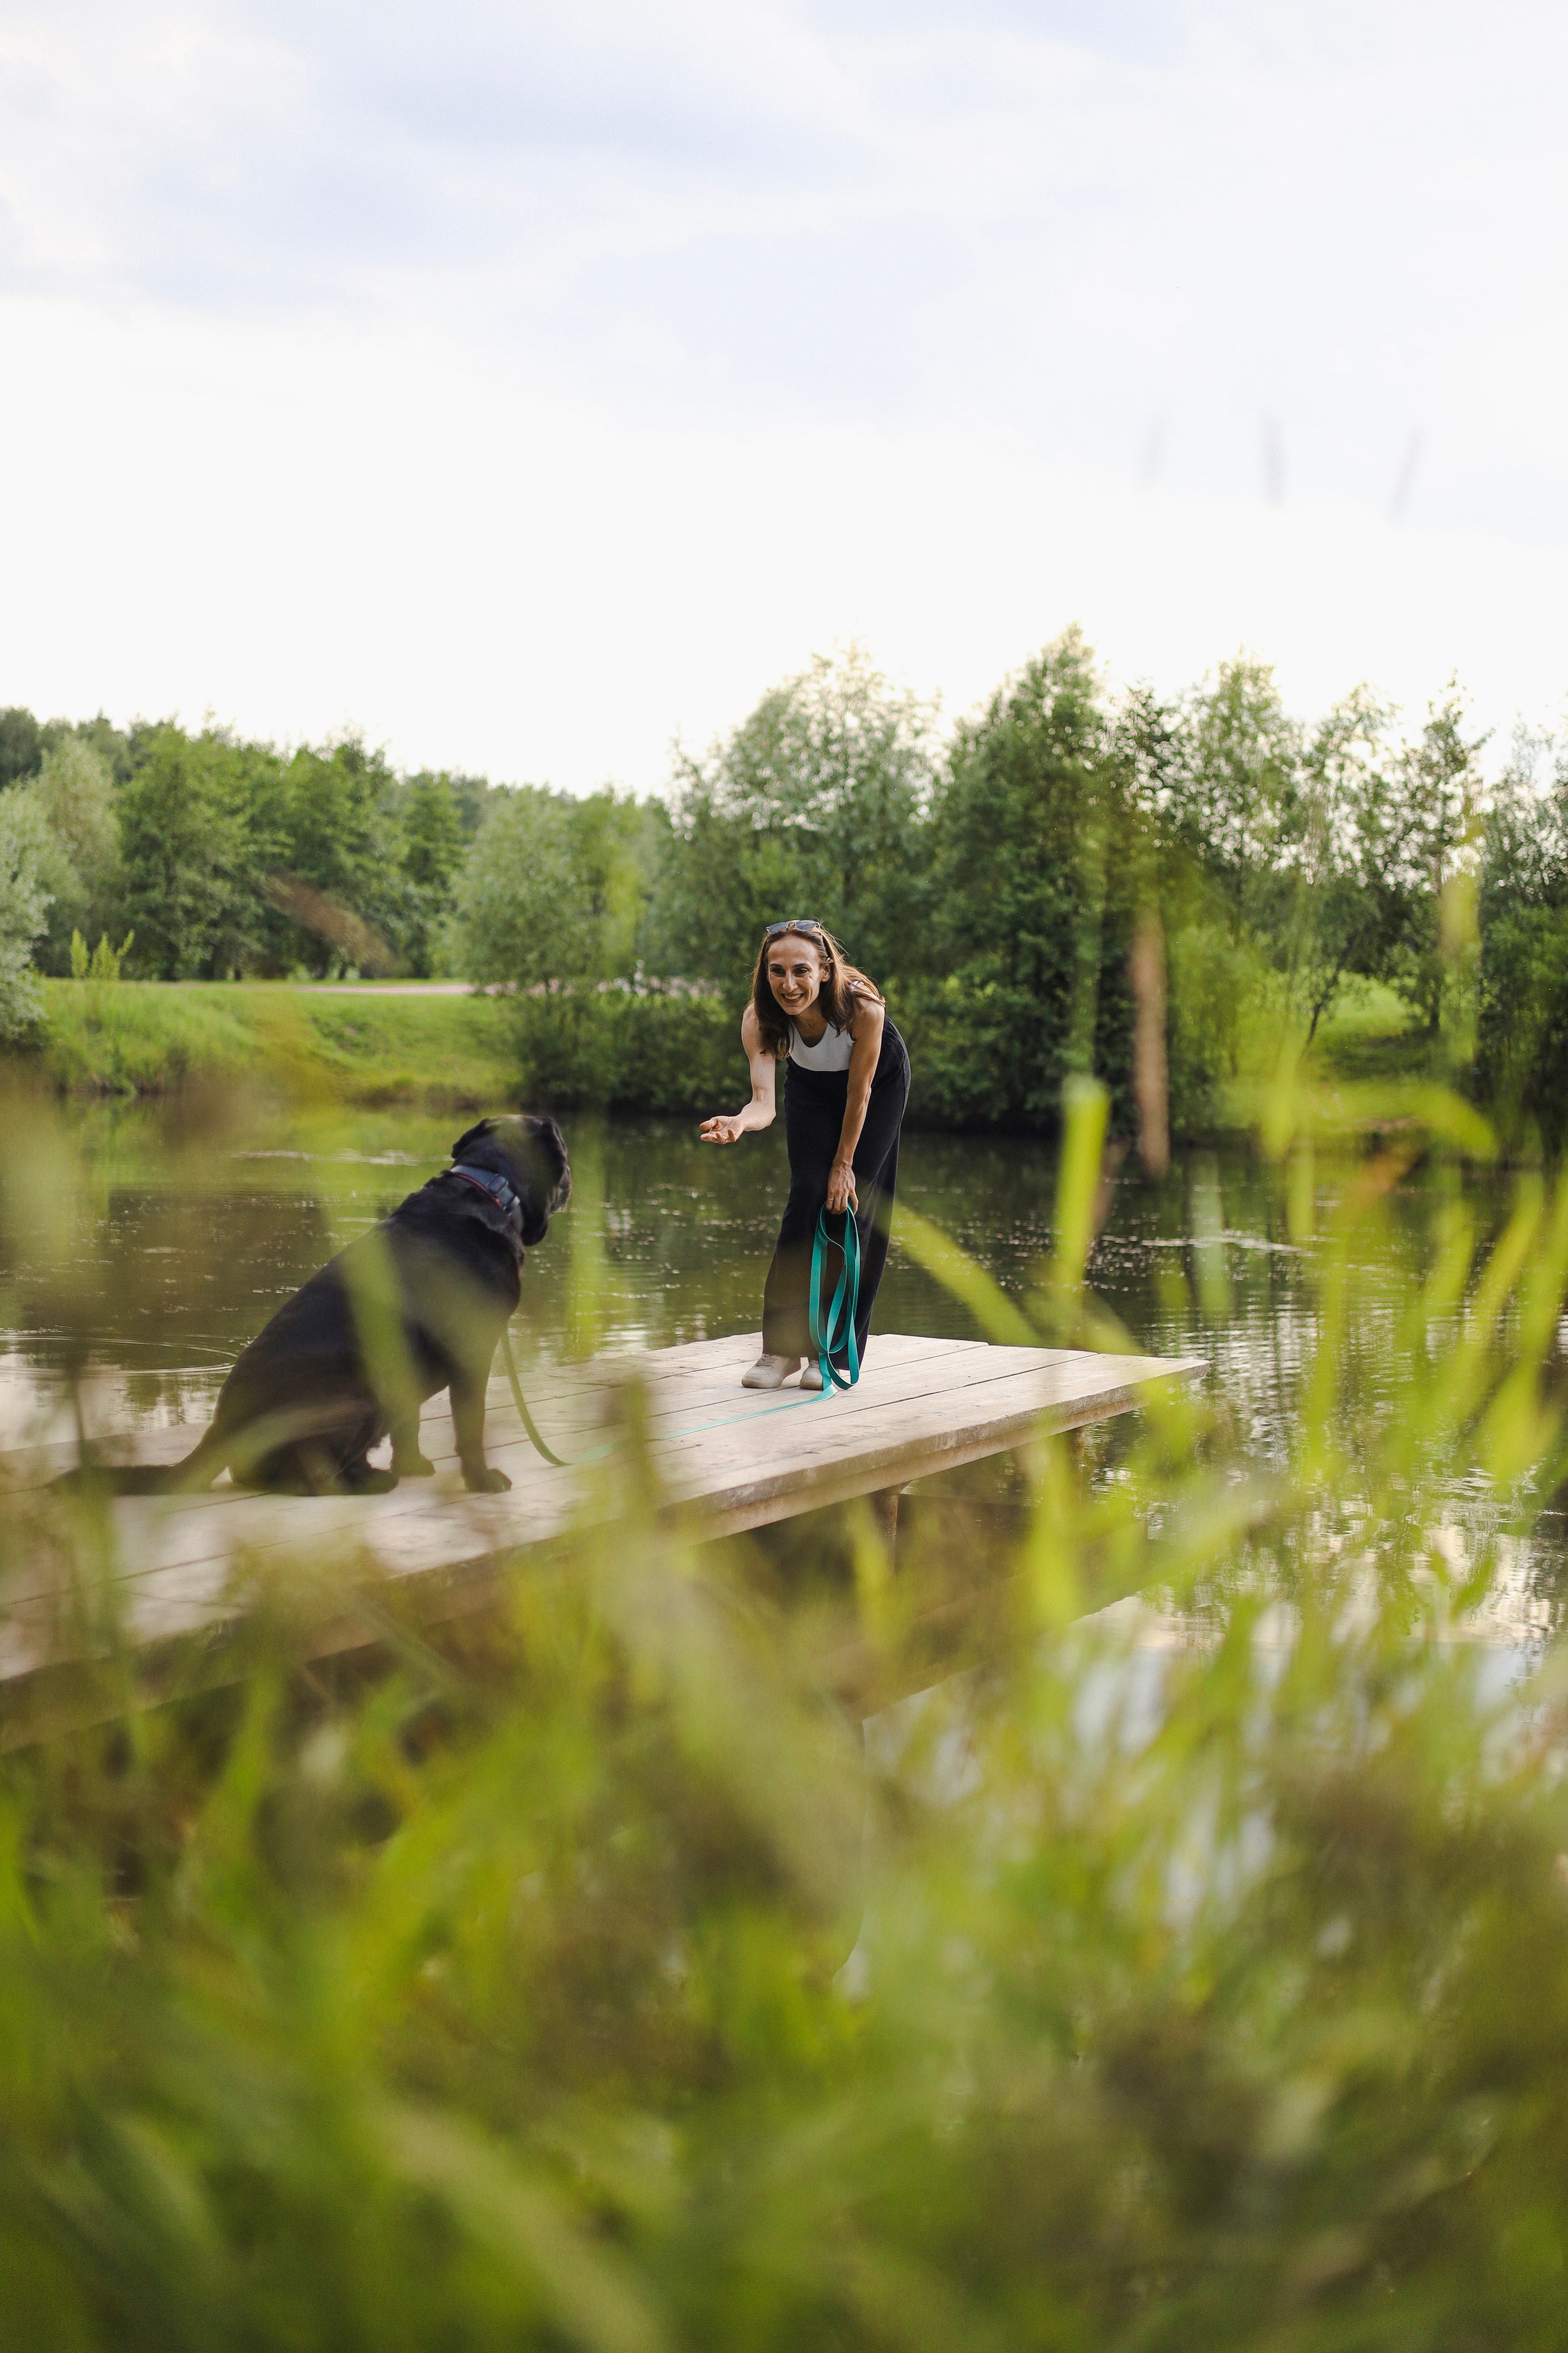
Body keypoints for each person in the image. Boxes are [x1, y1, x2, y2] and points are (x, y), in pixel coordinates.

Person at [700, 920, 911, 1389]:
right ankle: (781, 1349)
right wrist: (739, 1122)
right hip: (811, 1087)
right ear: (765, 972)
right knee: (805, 1197)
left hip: (876, 1085)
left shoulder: (862, 1008)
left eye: (801, 970)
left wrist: (844, 1166)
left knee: (848, 1203)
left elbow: (860, 1096)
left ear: (825, 970)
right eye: (777, 971)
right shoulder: (760, 1017)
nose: (789, 984)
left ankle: (830, 1351)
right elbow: (763, 1104)